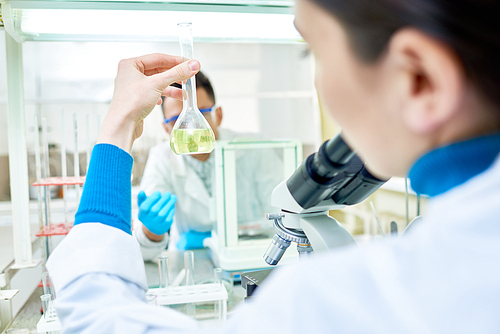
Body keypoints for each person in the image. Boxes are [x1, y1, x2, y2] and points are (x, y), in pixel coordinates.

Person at [46, 0, 500, 332]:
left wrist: (117, 124)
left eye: (314, 51)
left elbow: (96, 315)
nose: (321, 83)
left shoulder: (342, 304)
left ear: (420, 80)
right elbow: (150, 238)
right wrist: (151, 233)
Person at [134, 71, 282, 260]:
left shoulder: (254, 148)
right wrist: (151, 231)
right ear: (166, 128)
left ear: (218, 115)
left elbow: (285, 215)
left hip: (253, 257)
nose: (191, 129)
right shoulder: (162, 158)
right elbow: (143, 252)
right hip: (192, 264)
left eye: (201, 114)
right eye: (177, 121)